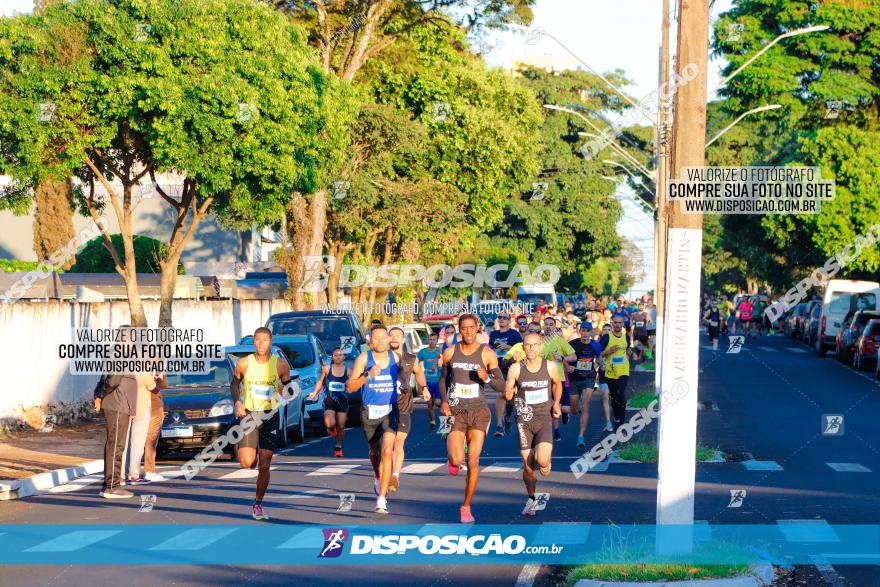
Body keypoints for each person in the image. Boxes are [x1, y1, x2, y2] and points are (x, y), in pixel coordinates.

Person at [440, 314, 506, 523]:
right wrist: (443, 400)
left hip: (478, 411)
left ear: (478, 328)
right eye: (464, 328)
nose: (468, 332)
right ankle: (453, 457)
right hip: (456, 411)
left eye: (471, 328)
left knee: (473, 461)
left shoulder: (487, 354)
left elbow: (501, 385)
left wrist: (486, 377)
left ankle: (466, 507)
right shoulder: (450, 352)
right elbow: (443, 379)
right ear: (459, 330)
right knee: (457, 459)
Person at [231, 327, 296, 521]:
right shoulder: (244, 363)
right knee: (247, 462)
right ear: (254, 342)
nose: (261, 344)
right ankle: (250, 454)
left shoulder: (281, 365)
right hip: (250, 415)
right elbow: (234, 384)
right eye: (257, 340)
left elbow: (289, 388)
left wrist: (285, 390)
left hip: (270, 416)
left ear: (270, 342)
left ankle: (257, 504)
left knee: (265, 465)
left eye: (265, 340)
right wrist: (237, 402)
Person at [506, 332, 562, 515]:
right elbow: (508, 388)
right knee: (528, 466)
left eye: (534, 345)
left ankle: (546, 462)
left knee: (542, 461)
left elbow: (557, 384)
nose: (531, 348)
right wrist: (508, 392)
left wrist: (556, 403)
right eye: (527, 345)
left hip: (544, 419)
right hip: (524, 421)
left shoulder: (550, 366)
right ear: (523, 348)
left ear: (540, 347)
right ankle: (531, 499)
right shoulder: (515, 368)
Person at [347, 324, 399, 514]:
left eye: (383, 337)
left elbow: (410, 372)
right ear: (370, 340)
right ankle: (378, 476)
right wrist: (368, 376)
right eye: (375, 338)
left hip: (390, 410)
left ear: (388, 339)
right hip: (369, 411)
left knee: (387, 451)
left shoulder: (395, 358)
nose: (380, 341)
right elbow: (351, 387)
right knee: (375, 452)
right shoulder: (364, 358)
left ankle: (382, 499)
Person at [388, 327, 430, 494]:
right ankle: (384, 472)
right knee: (386, 447)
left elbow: (419, 373)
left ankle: (395, 475)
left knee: (399, 443)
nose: (394, 339)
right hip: (384, 408)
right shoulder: (382, 358)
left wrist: (425, 388)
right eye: (392, 336)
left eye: (398, 336)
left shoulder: (410, 359)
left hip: (403, 408)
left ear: (403, 340)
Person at [94, 368, 138, 499]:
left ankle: (109, 485)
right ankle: (112, 486)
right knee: (116, 446)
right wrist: (100, 395)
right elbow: (112, 381)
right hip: (118, 405)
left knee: (116, 445)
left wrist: (98, 395)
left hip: (120, 405)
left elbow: (105, 380)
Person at [308, 347, 348, 457]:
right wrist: (315, 392)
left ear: (344, 357)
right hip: (329, 399)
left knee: (341, 424)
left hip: (342, 400)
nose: (338, 357)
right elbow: (320, 381)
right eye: (335, 355)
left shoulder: (348, 370)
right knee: (329, 422)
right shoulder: (326, 369)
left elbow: (353, 383)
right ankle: (331, 428)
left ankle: (338, 446)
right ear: (332, 357)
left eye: (340, 355)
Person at [541, 316, 576, 441]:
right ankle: (556, 431)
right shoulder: (538, 341)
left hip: (559, 379)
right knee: (550, 407)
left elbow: (573, 356)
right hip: (543, 379)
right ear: (543, 327)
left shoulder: (560, 341)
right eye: (546, 324)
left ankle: (565, 414)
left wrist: (562, 358)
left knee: (563, 408)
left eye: (551, 324)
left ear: (555, 327)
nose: (548, 326)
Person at [600, 316, 637, 431]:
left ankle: (622, 423)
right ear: (612, 324)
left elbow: (626, 349)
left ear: (622, 324)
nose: (617, 325)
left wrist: (631, 353)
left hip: (624, 370)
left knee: (621, 393)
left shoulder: (626, 337)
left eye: (619, 323)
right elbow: (599, 354)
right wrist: (609, 351)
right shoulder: (606, 338)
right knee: (615, 397)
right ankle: (616, 417)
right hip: (610, 372)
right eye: (615, 323)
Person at [489, 312, 523, 437]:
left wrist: (508, 347)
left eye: (505, 318)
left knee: (510, 397)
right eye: (500, 318)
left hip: (511, 366)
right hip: (497, 367)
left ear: (509, 321)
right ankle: (499, 425)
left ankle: (508, 417)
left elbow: (521, 348)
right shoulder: (493, 334)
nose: (502, 319)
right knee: (501, 394)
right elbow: (490, 349)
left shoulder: (514, 333)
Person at [569, 322, 602, 447]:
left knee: (586, 405)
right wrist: (568, 367)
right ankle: (576, 410)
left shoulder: (595, 345)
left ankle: (581, 436)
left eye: (587, 331)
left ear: (591, 332)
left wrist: (599, 365)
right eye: (583, 330)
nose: (585, 333)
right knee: (574, 409)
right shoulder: (572, 344)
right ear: (579, 332)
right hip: (574, 378)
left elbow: (599, 359)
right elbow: (564, 359)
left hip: (589, 377)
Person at [142, 372, 167, 482]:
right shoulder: (146, 373)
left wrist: (161, 376)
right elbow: (157, 388)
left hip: (141, 408)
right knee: (151, 441)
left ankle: (131, 472)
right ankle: (149, 471)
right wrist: (159, 378)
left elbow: (164, 385)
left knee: (142, 441)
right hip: (154, 408)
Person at [418, 333, 443, 431]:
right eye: (430, 339)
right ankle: (432, 423)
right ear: (428, 340)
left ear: (437, 341)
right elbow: (416, 362)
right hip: (427, 382)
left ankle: (446, 420)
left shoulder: (439, 352)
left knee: (438, 402)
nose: (432, 341)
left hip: (438, 382)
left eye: (434, 339)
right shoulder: (423, 352)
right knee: (430, 404)